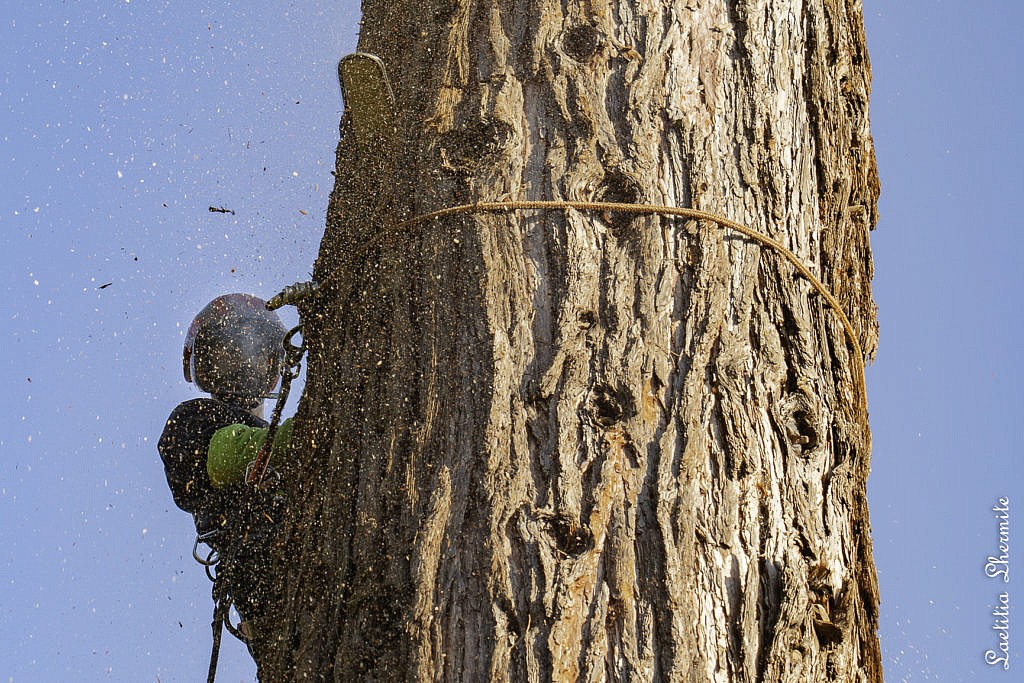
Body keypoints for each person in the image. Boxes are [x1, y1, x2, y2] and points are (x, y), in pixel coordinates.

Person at [158, 293, 294, 667]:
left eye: (250, 352)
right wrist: (309, 434)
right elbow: (224, 456)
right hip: (262, 573)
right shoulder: (193, 420)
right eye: (228, 355)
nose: (240, 363)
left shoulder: (274, 432)